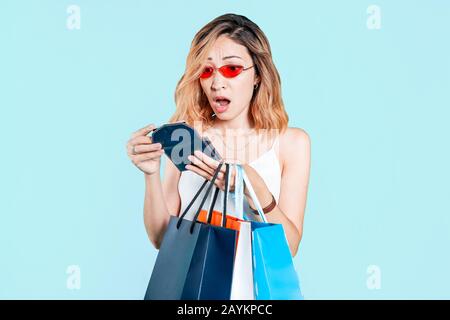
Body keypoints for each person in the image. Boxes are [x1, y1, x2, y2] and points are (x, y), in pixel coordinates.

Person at [126, 13, 311, 257]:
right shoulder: (186, 136)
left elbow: (289, 248)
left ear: (257, 74)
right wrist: (150, 174)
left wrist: (252, 186)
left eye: (231, 68)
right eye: (206, 70)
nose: (216, 83)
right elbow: (161, 238)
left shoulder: (291, 143)